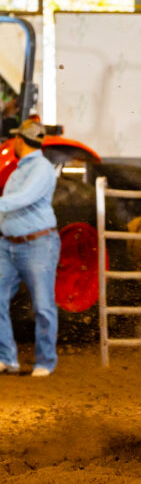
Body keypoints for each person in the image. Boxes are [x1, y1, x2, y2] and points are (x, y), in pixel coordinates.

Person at [0, 119, 59, 377]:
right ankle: (6, 358)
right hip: (9, 244)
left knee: (43, 304)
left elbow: (22, 199)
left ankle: (46, 361)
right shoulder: (18, 171)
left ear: (19, 141)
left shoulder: (42, 169)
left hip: (37, 244)